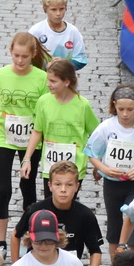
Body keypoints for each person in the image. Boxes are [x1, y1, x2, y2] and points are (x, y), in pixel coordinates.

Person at [0, 32, 49, 248]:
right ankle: (1, 242)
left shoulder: (42, 78)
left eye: (24, 57)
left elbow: (47, 110)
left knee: (28, 187)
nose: (19, 61)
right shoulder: (0, 76)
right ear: (10, 51)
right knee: (4, 189)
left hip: (31, 139)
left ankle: (27, 235)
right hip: (4, 138)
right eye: (16, 55)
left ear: (33, 55)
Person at [85, 85, 134, 248]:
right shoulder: (106, 126)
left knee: (133, 219)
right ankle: (116, 265)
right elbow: (92, 153)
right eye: (121, 109)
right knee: (114, 225)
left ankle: (130, 261)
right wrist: (104, 169)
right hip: (111, 184)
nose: (125, 114)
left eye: (130, 109)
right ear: (114, 106)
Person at [12, 159, 104, 266]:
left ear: (77, 186)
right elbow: (16, 235)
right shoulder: (35, 210)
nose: (63, 190)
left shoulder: (85, 215)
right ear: (50, 186)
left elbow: (95, 250)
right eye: (58, 184)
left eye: (69, 185)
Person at [22, 60, 98, 195]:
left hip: (75, 166)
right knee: (50, 202)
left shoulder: (82, 105)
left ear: (66, 82)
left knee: (67, 204)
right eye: (48, 80)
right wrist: (27, 159)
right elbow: (37, 131)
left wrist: (98, 163)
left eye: (53, 81)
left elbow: (97, 134)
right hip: (50, 165)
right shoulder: (43, 101)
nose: (48, 84)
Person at [28, 0, 87, 72]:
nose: (58, 13)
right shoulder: (36, 31)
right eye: (53, 10)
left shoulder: (73, 32)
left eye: (61, 9)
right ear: (45, 9)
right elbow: (27, 58)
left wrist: (64, 64)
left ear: (66, 7)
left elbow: (81, 59)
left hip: (65, 81)